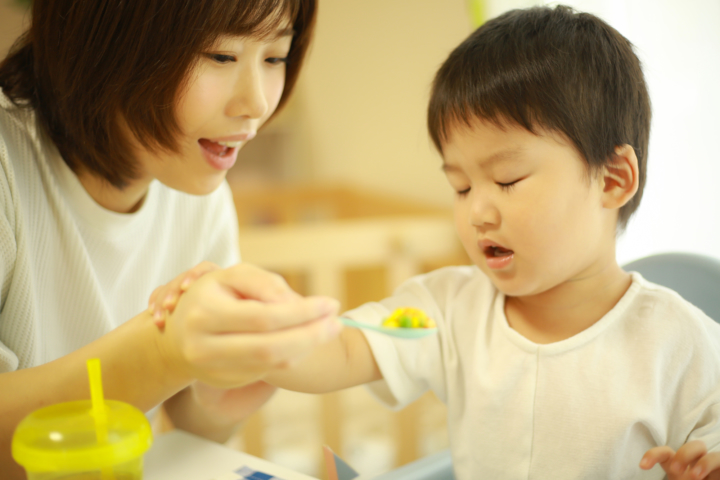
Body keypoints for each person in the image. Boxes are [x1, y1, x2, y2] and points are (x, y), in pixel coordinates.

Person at [155, 5, 720, 479]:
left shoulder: (682, 344)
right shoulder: (447, 310)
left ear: (613, 179)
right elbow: (342, 351)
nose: (476, 209)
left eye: (506, 181)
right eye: (460, 185)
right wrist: (246, 320)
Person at [0, 0, 343, 477]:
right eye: (221, 56)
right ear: (104, 38)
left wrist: (218, 396)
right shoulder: (7, 166)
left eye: (274, 58)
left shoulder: (201, 198)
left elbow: (186, 427)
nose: (257, 104)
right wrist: (162, 352)